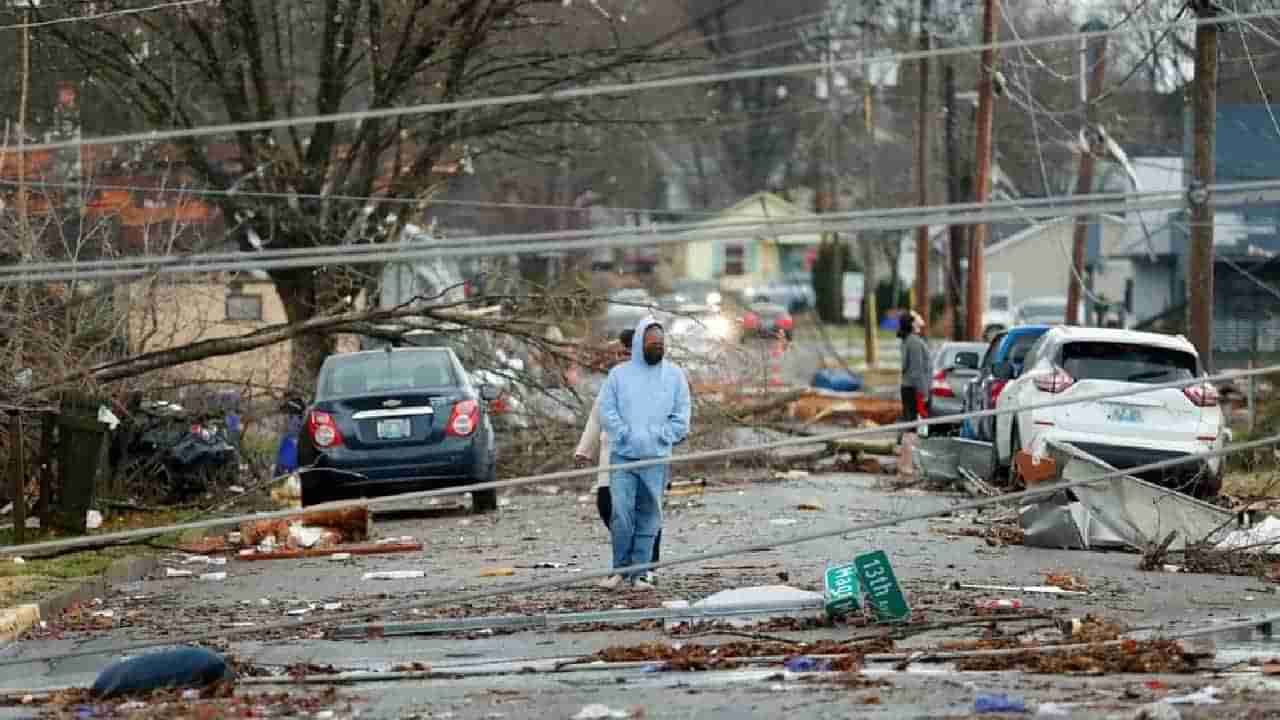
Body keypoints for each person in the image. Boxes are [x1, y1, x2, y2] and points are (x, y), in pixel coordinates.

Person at [597, 317, 691, 590]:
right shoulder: (619, 375)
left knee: (650, 516)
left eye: (660, 344)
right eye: (652, 343)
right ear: (639, 343)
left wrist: (662, 436)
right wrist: (624, 434)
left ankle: (640, 573)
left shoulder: (674, 376)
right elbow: (606, 410)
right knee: (621, 514)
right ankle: (620, 569)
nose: (657, 348)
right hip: (623, 457)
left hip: (656, 458)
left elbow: (682, 416)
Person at [574, 329, 666, 585]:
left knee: (646, 513)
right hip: (610, 457)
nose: (622, 358)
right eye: (619, 353)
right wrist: (584, 450)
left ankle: (646, 569)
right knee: (608, 506)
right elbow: (597, 415)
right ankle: (625, 566)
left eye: (627, 353)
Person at [898, 310, 931, 427]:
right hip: (914, 389)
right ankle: (907, 444)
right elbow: (917, 370)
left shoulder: (910, 340)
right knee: (913, 425)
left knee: (910, 422)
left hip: (909, 387)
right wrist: (924, 392)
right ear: (912, 323)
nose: (920, 316)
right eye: (917, 316)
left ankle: (906, 443)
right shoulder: (914, 342)